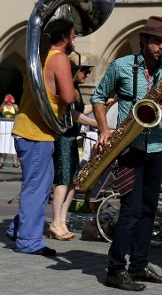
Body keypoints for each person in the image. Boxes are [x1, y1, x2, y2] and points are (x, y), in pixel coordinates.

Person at [91, 16, 162, 291]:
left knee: (148, 210)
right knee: (130, 211)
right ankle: (115, 270)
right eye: (157, 41)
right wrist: (104, 129)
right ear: (143, 40)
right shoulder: (121, 66)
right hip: (128, 148)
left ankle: (140, 266)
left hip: (156, 149)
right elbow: (98, 97)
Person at [6, 18, 78, 257]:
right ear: (64, 37)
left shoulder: (38, 57)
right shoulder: (59, 59)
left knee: (37, 185)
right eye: (74, 35)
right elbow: (68, 97)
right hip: (37, 133)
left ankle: (17, 227)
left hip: (28, 130)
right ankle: (28, 241)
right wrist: (76, 89)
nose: (75, 40)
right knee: (36, 188)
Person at [49, 58, 98, 241]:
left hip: (70, 139)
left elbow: (81, 109)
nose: (87, 74)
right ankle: (56, 222)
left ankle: (61, 222)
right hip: (64, 138)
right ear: (74, 70)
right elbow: (73, 114)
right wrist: (98, 123)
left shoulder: (75, 87)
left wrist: (101, 104)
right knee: (62, 181)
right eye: (84, 70)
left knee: (71, 182)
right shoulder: (69, 87)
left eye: (88, 71)